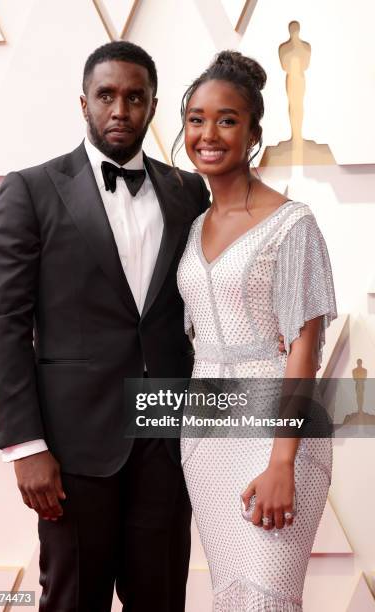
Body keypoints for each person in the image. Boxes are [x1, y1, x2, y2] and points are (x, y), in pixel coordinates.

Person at [0, 41, 212, 612]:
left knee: (161, 600)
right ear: (82, 101)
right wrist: (25, 445)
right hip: (70, 449)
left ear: (153, 106)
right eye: (106, 95)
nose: (120, 110)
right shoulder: (31, 190)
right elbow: (5, 321)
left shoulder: (188, 192)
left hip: (166, 445)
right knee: (72, 600)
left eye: (135, 98)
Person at [175, 51, 337, 611]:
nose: (208, 133)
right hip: (204, 441)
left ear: (253, 133)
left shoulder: (294, 225)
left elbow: (304, 352)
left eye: (227, 119)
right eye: (196, 119)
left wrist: (281, 462)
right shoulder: (195, 226)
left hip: (276, 438)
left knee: (267, 599)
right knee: (231, 596)